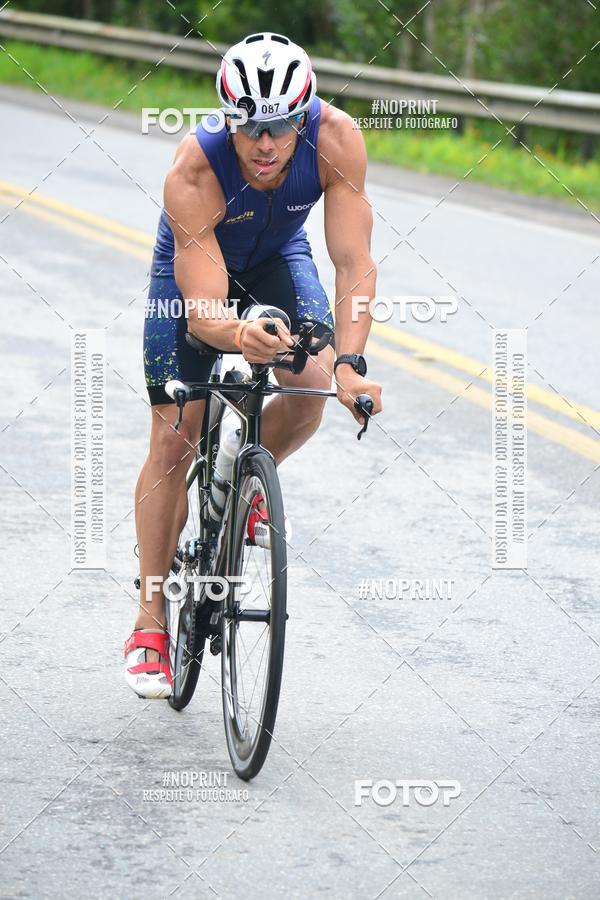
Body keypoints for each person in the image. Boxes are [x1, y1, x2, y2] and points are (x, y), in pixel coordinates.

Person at [124, 32, 382, 698]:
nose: (265, 145)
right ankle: (150, 619)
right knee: (177, 431)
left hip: (276, 258)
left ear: (304, 116)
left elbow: (353, 263)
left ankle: (242, 482)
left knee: (312, 383)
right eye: (248, 127)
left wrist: (351, 362)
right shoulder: (195, 168)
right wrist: (241, 332)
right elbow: (207, 313)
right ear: (226, 118)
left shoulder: (339, 139)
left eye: (280, 126)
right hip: (193, 274)